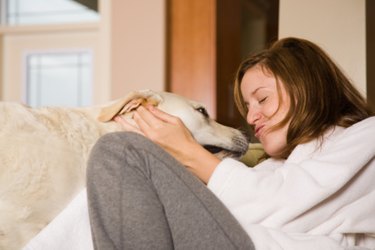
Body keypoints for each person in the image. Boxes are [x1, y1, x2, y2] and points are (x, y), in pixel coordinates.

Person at [86, 37, 375, 249]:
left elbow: (288, 208)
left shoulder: (367, 136)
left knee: (122, 151)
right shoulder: (272, 167)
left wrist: (188, 153)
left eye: (262, 99)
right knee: (123, 169)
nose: (251, 117)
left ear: (307, 87)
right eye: (247, 107)